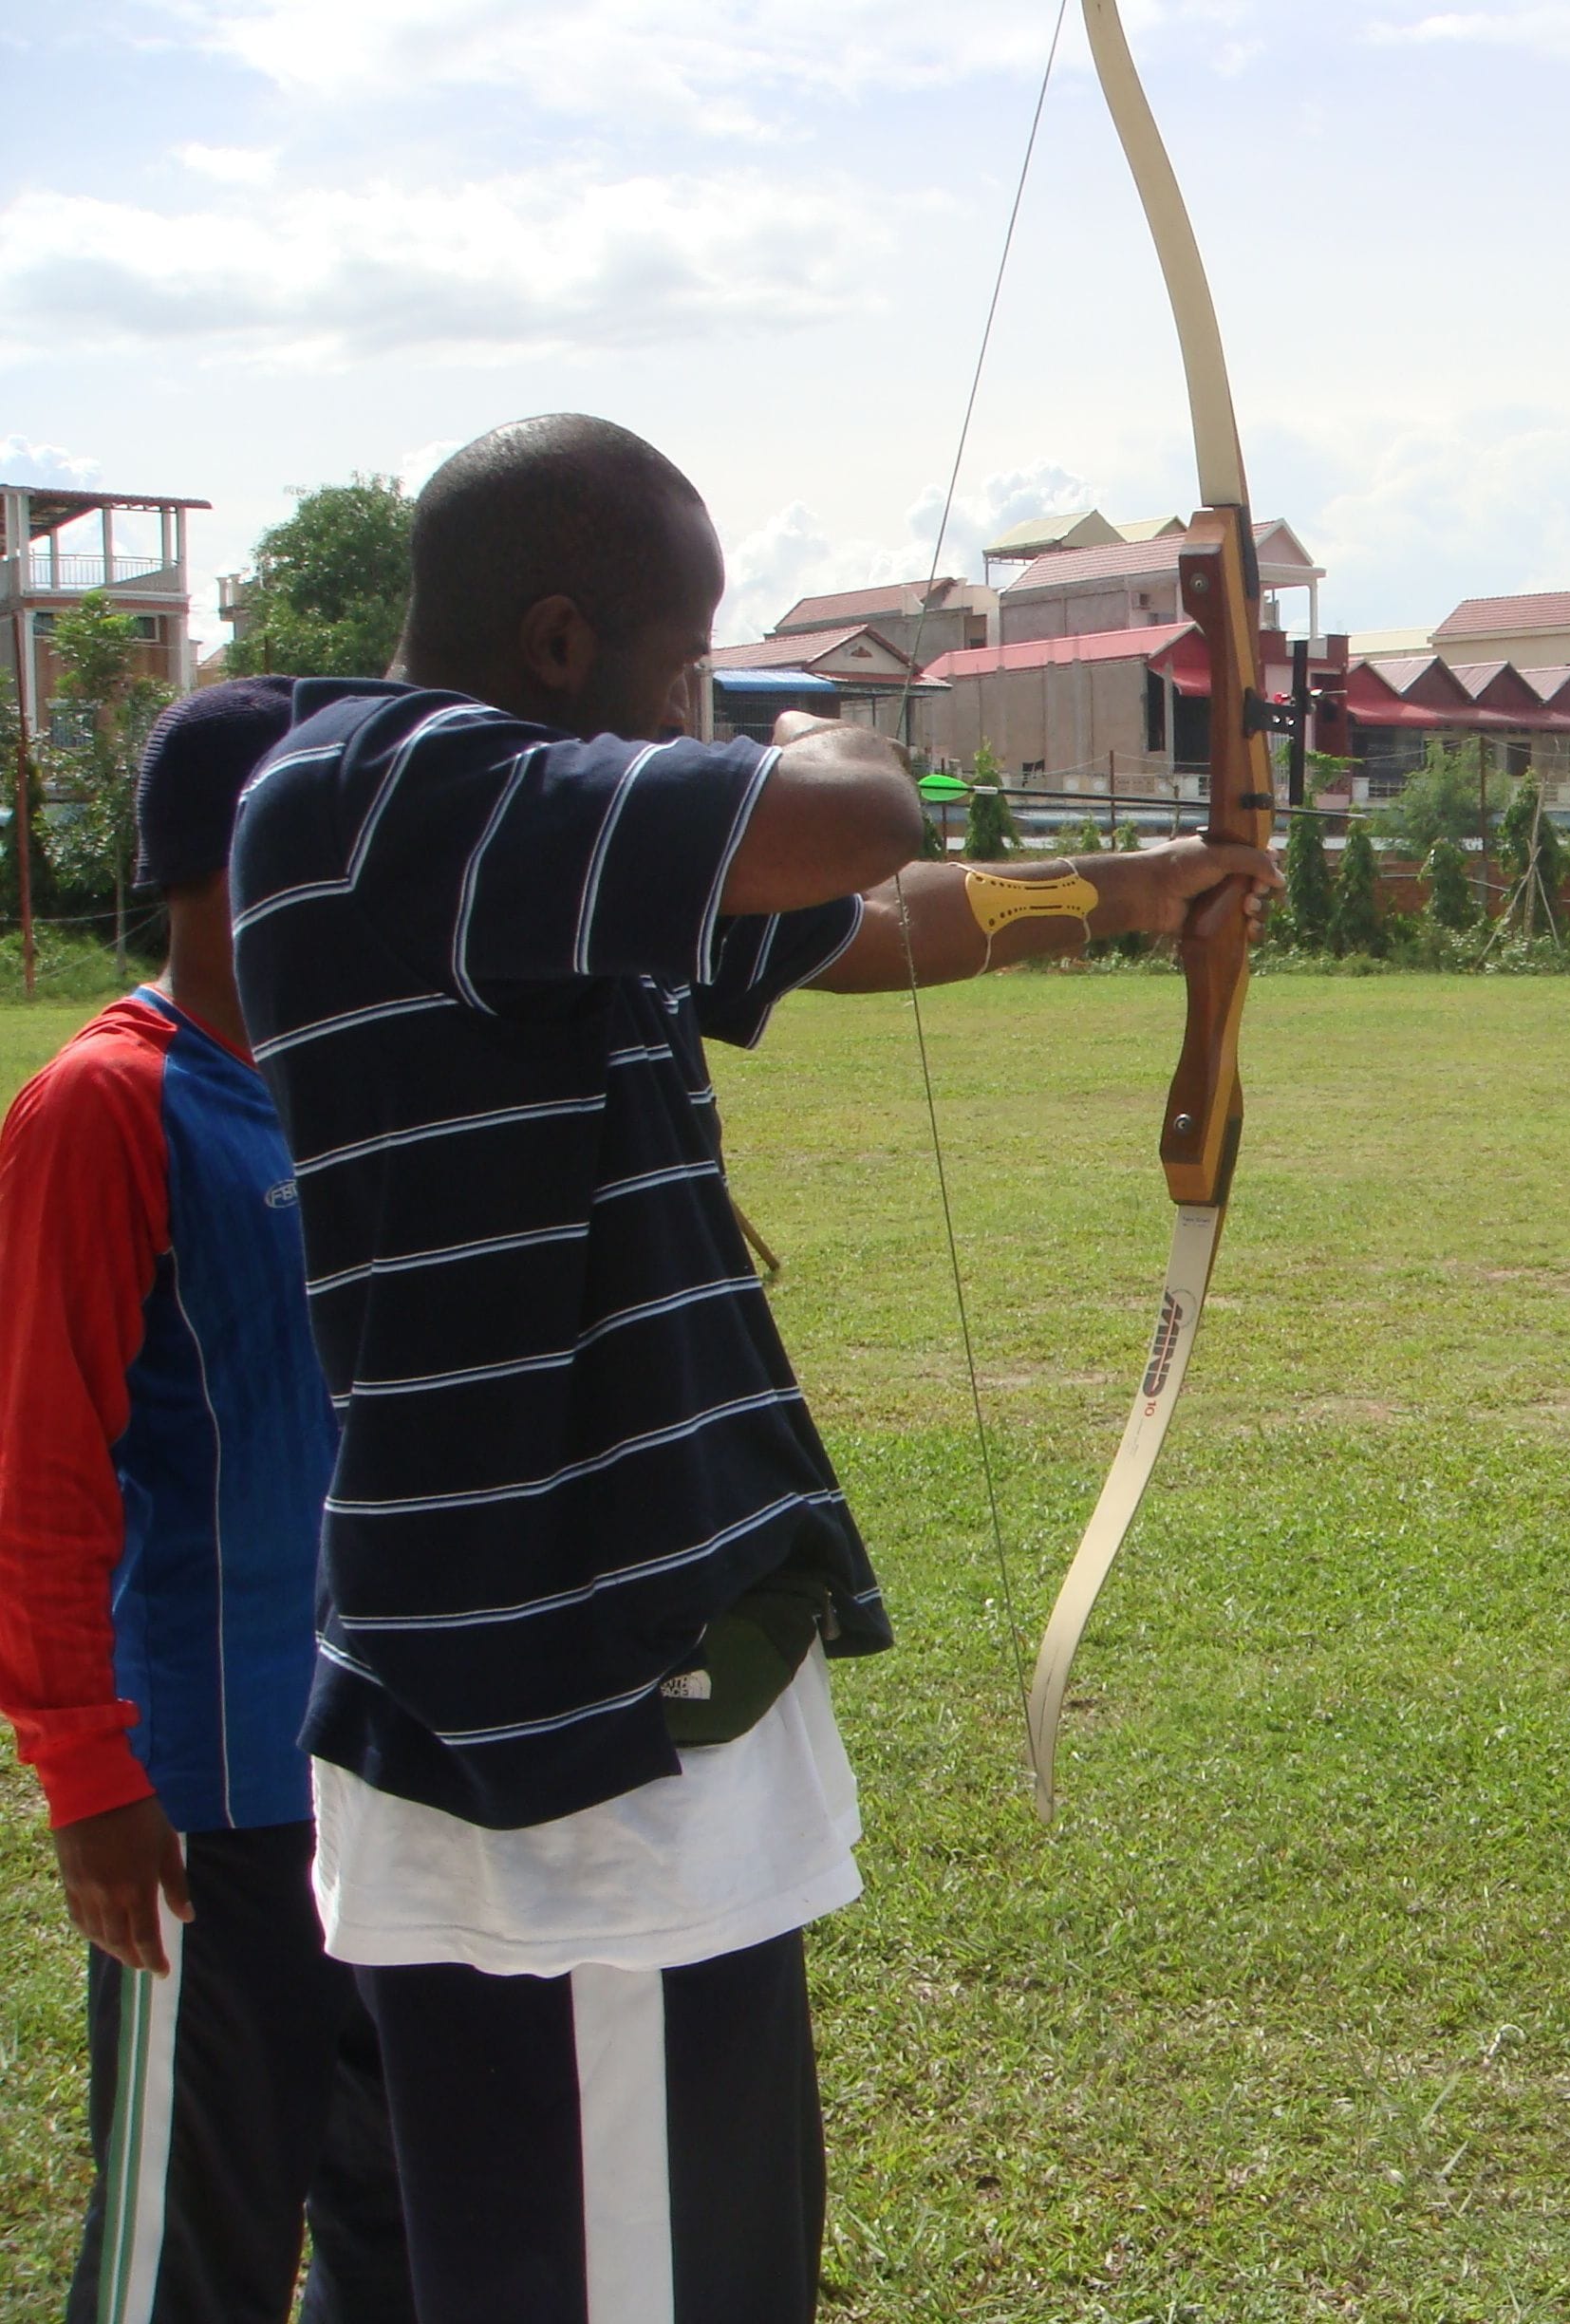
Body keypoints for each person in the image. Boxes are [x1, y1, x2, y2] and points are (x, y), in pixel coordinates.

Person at [226, 413, 1279, 2324]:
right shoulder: (398, 793)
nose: (700, 700)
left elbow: (851, 928)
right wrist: (813, 730)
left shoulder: (505, 848)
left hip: (600, 1723)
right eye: (685, 658)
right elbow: (852, 820)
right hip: (571, 1756)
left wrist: (1126, 898)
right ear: (565, 644)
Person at [0, 678, 414, 2324]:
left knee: (409, 2222)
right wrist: (87, 1778)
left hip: (383, 1779)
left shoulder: (347, 1080)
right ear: (262, 856)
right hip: (206, 1808)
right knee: (198, 2246)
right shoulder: (106, 1106)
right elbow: (36, 1474)